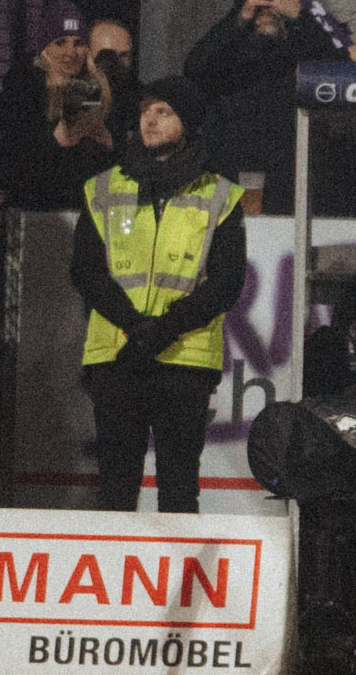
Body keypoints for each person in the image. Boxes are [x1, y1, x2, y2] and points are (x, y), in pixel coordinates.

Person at [72, 80, 249, 513]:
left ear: (186, 124)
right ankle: (114, 582)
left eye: (163, 111)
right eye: (145, 111)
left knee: (178, 489)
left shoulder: (219, 194)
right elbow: (86, 271)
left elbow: (226, 283)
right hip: (117, 355)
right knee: (115, 488)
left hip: (183, 359)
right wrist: (137, 329)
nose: (149, 119)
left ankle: (179, 583)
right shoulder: (103, 188)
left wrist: (160, 332)